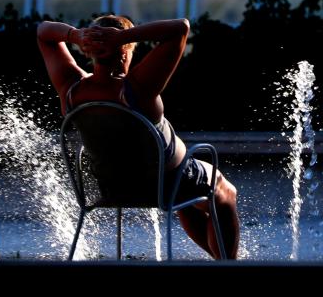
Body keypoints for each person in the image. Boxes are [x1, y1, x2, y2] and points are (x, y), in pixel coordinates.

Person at [36, 14, 239, 259]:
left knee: (192, 200)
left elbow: (43, 32)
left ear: (88, 51)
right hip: (165, 184)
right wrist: (123, 36)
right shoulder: (137, 88)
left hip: (111, 187)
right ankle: (229, 265)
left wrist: (76, 35)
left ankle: (220, 259)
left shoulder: (71, 88)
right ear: (126, 51)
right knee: (222, 188)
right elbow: (180, 28)